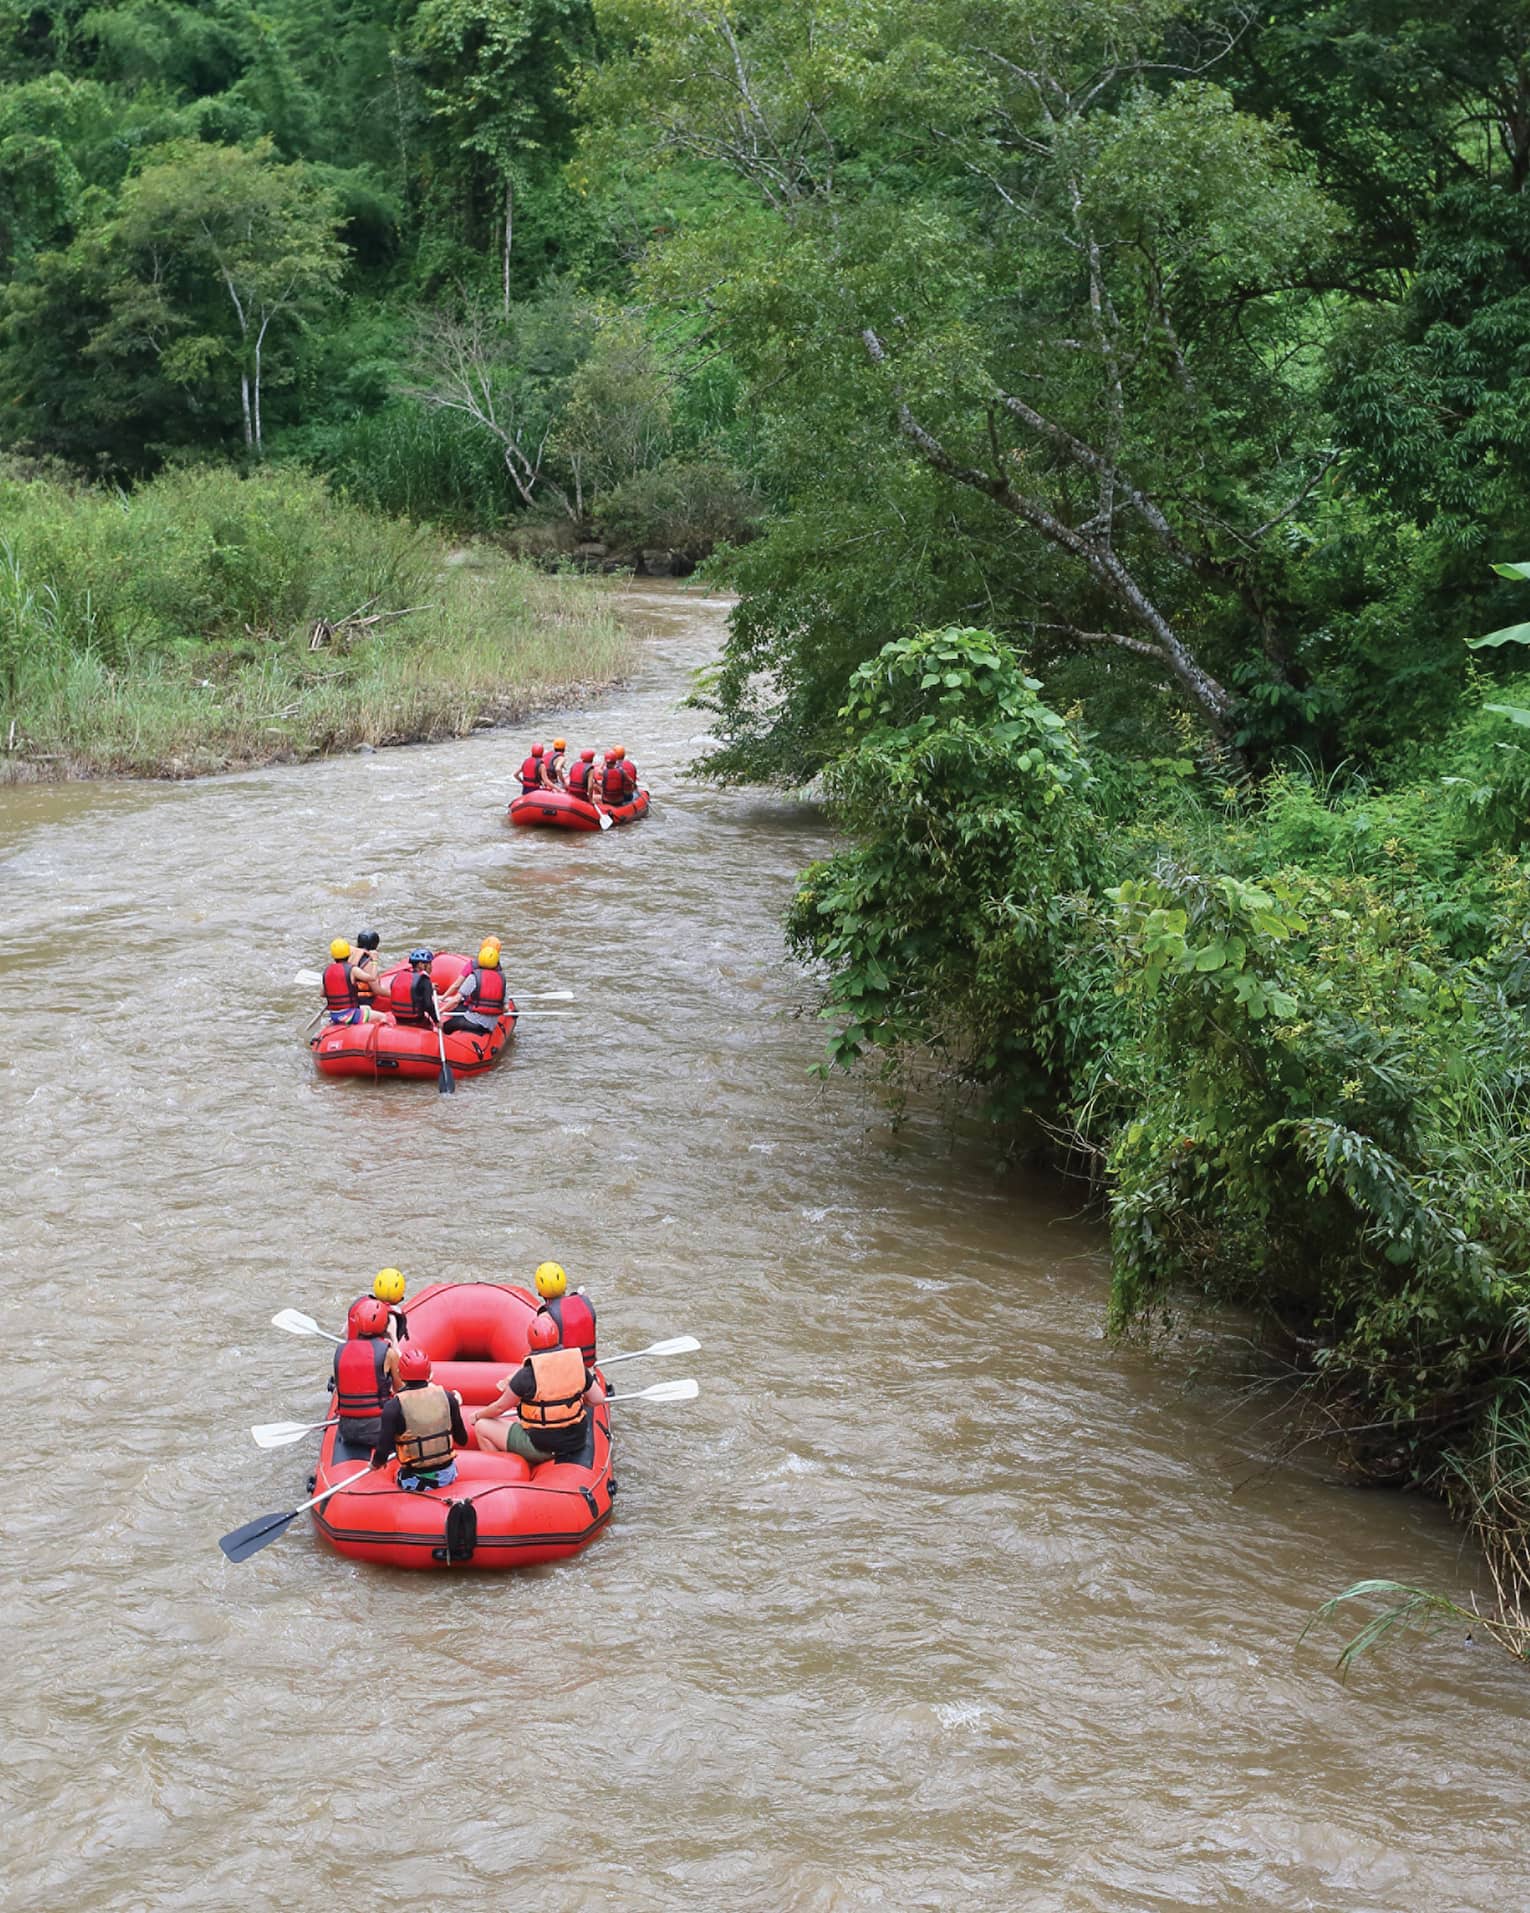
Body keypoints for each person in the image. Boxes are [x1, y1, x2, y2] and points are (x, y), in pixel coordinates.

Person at [471, 1313, 594, 1463]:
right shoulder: (576, 1365)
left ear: (531, 1342)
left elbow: (499, 1408)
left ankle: (500, 1468)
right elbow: (597, 1398)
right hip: (576, 1442)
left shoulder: (526, 1375)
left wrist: (478, 1415)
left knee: (482, 1426)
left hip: (541, 1447)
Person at [371, 1341, 468, 1491]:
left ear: (401, 1375)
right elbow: (462, 1440)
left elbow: (383, 1452)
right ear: (429, 1374)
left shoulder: (393, 1406)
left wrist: (374, 1465)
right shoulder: (448, 1398)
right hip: (447, 1475)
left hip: (415, 1480)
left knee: (400, 1473)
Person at [330, 1297, 400, 1451]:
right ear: (384, 1325)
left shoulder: (340, 1351)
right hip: (379, 1430)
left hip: (347, 1430)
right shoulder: (388, 1353)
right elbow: (401, 1391)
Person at [532, 1260, 598, 1366]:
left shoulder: (545, 1317)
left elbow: (541, 1356)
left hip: (565, 1371)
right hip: (588, 1367)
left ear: (539, 1291)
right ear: (564, 1285)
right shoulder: (585, 1301)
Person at [438, 940, 508, 1035]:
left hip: (474, 1022)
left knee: (447, 1025)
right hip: (491, 1025)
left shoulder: (474, 977)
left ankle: (445, 1039)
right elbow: (506, 1008)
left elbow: (456, 1000)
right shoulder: (501, 979)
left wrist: (440, 1011)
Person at [321, 938, 389, 1025]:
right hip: (350, 1014)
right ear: (349, 953)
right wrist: (375, 960)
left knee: (366, 1007)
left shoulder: (327, 971)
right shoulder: (352, 970)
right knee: (382, 1016)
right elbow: (372, 977)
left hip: (334, 1015)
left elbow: (322, 994)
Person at [387, 948, 438, 1026]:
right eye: (429, 964)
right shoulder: (424, 979)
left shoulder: (400, 976)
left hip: (398, 1018)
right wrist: (436, 1021)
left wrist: (429, 987)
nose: (431, 967)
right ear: (421, 964)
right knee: (429, 1024)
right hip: (416, 1020)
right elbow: (428, 1005)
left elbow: (412, 989)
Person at [351, 928, 384, 1006]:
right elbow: (377, 990)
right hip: (362, 1003)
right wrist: (394, 994)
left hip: (350, 1000)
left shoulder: (350, 957)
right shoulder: (367, 963)